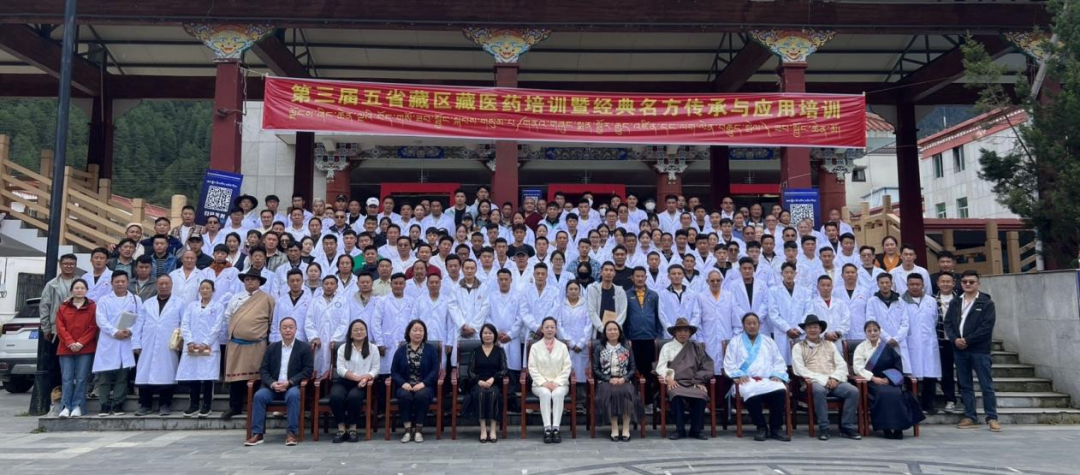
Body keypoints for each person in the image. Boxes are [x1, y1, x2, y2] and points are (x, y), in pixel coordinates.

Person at [245, 317, 314, 447]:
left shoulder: (304, 348)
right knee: (259, 396)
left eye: (291, 327)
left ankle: (291, 433)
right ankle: (257, 433)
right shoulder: (272, 348)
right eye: (284, 327)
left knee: (293, 395)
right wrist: (272, 383)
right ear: (280, 330)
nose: (288, 330)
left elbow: (307, 371)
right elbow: (263, 370)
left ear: (296, 329)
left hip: (291, 386)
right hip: (272, 387)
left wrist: (290, 382)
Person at [945, 270, 1000, 432]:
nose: (968, 284)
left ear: (978, 283)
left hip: (979, 350)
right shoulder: (956, 302)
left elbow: (986, 327)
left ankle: (992, 418)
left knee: (986, 385)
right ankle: (970, 416)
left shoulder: (986, 303)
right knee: (965, 384)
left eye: (971, 282)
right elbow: (948, 323)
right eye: (965, 282)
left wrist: (968, 340)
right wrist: (955, 339)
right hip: (959, 350)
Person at [791, 315, 862, 440]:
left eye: (815, 327)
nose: (813, 330)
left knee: (853, 391)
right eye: (809, 327)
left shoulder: (830, 344)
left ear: (820, 329)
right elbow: (799, 369)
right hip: (813, 381)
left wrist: (835, 378)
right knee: (819, 390)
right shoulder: (798, 347)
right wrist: (824, 380)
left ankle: (847, 427)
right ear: (805, 330)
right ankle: (824, 427)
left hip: (833, 380)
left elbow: (841, 364)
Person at [724, 312, 790, 442]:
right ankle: (761, 427)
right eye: (748, 323)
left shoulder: (769, 341)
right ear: (743, 325)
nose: (752, 326)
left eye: (754, 323)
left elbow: (778, 361)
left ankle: (776, 428)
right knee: (750, 391)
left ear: (759, 325)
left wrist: (776, 374)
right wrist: (739, 374)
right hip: (746, 379)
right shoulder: (735, 342)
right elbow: (729, 363)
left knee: (780, 389)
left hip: (767, 379)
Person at [853, 321, 926, 439]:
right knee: (883, 394)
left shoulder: (887, 347)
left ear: (879, 332)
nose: (872, 333)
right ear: (865, 333)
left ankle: (898, 428)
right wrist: (873, 378)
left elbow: (897, 365)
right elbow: (858, 368)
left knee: (897, 394)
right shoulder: (861, 348)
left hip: (889, 381)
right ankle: (886, 428)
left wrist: (889, 379)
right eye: (869, 331)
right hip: (871, 382)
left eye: (875, 330)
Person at [222, 269, 277, 419]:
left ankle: (256, 407)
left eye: (253, 279)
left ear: (259, 282)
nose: (250, 282)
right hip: (237, 344)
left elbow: (272, 320)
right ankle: (235, 407)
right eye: (247, 279)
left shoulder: (267, 299)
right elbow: (228, 316)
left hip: (257, 345)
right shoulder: (236, 298)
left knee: (257, 377)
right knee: (236, 378)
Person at [132, 274, 184, 416]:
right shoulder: (148, 303)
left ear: (172, 285)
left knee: (167, 373)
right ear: (156, 285)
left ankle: (165, 404)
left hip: (169, 344)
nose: (164, 286)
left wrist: (181, 342)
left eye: (167, 284)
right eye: (161, 284)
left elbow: (184, 324)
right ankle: (145, 404)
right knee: (145, 373)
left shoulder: (179, 303)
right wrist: (136, 343)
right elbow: (139, 324)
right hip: (148, 343)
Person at [655, 317, 714, 440]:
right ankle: (680, 430)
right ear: (674, 333)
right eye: (680, 331)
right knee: (676, 395)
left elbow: (706, 366)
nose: (683, 334)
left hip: (694, 382)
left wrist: (699, 380)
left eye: (686, 331)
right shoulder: (667, 347)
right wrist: (669, 378)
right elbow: (660, 367)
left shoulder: (697, 347)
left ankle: (696, 430)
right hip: (676, 382)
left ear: (690, 333)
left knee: (701, 395)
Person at [176, 280, 226, 418]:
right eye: (202, 288)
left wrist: (205, 342)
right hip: (192, 346)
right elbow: (185, 324)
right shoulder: (192, 306)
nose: (205, 291)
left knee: (208, 377)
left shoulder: (218, 306)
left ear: (213, 290)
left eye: (207, 288)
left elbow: (217, 326)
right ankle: (194, 405)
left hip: (209, 347)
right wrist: (190, 341)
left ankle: (207, 405)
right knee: (193, 376)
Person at [93, 271, 141, 416]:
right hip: (109, 340)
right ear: (111, 283)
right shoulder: (104, 300)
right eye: (117, 282)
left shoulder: (135, 299)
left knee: (122, 375)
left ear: (127, 282)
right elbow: (101, 320)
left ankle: (118, 403)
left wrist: (130, 330)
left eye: (123, 281)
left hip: (126, 340)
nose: (120, 284)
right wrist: (114, 332)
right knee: (104, 375)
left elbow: (140, 319)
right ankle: (104, 404)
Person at [592, 321, 644, 442]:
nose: (612, 332)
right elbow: (595, 369)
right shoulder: (599, 348)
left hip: (624, 380)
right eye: (609, 330)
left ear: (620, 332)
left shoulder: (626, 347)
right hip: (606, 381)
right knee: (612, 394)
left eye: (615, 329)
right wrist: (608, 379)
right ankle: (614, 427)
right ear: (605, 333)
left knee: (628, 393)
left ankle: (626, 427)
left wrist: (624, 378)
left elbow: (632, 368)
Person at [330, 319, 380, 443]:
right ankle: (341, 429)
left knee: (354, 397)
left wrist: (366, 378)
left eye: (362, 329)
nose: (359, 332)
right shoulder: (343, 348)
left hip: (363, 383)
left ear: (366, 332)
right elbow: (340, 369)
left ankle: (353, 429)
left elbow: (375, 369)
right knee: (335, 396)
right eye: (356, 330)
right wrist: (357, 378)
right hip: (344, 381)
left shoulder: (373, 348)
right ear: (351, 334)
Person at [391, 319, 440, 443]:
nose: (418, 333)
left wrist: (423, 384)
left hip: (425, 386)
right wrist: (403, 383)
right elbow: (394, 372)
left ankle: (418, 430)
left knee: (421, 396)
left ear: (424, 333)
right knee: (404, 396)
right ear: (409, 332)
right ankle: (407, 430)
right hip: (405, 385)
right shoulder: (401, 350)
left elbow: (435, 370)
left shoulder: (430, 350)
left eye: (421, 330)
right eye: (415, 330)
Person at [55, 279, 98, 418]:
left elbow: (93, 327)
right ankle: (65, 406)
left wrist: (81, 343)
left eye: (82, 288)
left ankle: (78, 406)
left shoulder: (93, 306)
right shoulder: (63, 307)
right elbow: (60, 327)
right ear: (71, 290)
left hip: (86, 348)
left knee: (81, 378)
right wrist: (70, 342)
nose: (79, 290)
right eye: (77, 288)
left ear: (86, 290)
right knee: (67, 378)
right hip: (66, 348)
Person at [527, 317, 572, 444]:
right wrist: (544, 383)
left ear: (556, 329)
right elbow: (532, 367)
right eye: (546, 327)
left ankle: (556, 429)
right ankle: (547, 429)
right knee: (545, 393)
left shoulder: (563, 347)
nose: (549, 330)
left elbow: (567, 367)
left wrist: (557, 382)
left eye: (552, 327)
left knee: (557, 394)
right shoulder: (535, 347)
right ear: (542, 329)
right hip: (540, 384)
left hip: (560, 384)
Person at [462, 323, 508, 443]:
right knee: (481, 394)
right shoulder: (476, 351)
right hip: (478, 383)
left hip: (494, 382)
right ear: (481, 335)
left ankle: (493, 429)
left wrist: (493, 378)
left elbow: (504, 369)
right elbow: (470, 371)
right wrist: (479, 381)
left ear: (495, 335)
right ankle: (483, 429)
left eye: (490, 333)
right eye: (485, 333)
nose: (487, 335)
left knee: (494, 394)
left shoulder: (500, 351)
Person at [902, 273, 941, 413]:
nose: (915, 287)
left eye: (917, 284)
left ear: (923, 285)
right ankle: (912, 404)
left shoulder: (931, 301)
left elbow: (935, 320)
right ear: (907, 285)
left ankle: (929, 404)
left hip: (929, 342)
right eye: (911, 284)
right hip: (910, 342)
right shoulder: (901, 301)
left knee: (930, 373)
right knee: (910, 375)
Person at [933, 273, 959, 413]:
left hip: (959, 340)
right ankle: (950, 400)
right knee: (946, 372)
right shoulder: (932, 300)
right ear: (938, 283)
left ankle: (966, 399)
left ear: (953, 283)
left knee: (962, 371)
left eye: (948, 281)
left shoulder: (960, 299)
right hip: (942, 340)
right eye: (943, 281)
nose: (945, 284)